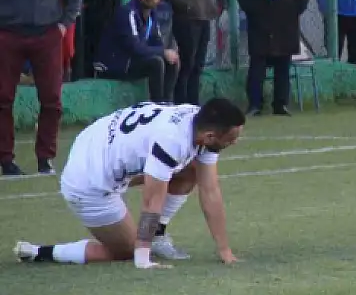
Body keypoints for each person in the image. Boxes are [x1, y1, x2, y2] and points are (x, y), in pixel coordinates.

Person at [13, 99, 244, 267]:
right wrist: (142, 257)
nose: (234, 143)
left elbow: (210, 190)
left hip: (96, 143)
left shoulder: (197, 123)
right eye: (231, 139)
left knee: (191, 170)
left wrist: (224, 250)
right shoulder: (173, 140)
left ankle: (157, 234)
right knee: (125, 251)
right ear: (211, 136)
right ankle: (42, 252)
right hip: (87, 181)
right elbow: (152, 199)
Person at [0, 0, 82, 177]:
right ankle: (6, 160)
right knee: (2, 99)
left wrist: (62, 25)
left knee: (51, 100)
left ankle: (45, 159)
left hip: (47, 35)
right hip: (8, 36)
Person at [94, 0, 180, 103]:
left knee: (172, 60)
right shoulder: (128, 13)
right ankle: (157, 106)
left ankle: (166, 103)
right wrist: (163, 52)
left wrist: (168, 53)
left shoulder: (152, 15)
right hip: (114, 64)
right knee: (157, 62)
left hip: (133, 61)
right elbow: (135, 47)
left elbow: (157, 43)